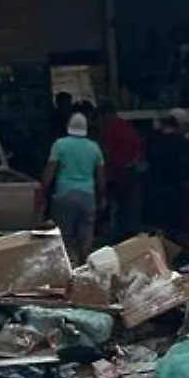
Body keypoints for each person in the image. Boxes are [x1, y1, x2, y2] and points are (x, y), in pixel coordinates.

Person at [42, 112, 105, 261]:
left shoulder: (60, 145)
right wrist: (102, 197)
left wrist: (44, 190)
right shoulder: (94, 147)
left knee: (64, 235)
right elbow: (101, 177)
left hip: (64, 194)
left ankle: (66, 267)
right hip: (87, 196)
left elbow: (50, 170)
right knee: (86, 233)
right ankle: (84, 265)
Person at [97, 103, 146, 240]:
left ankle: (113, 233)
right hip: (130, 171)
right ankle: (127, 233)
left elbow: (105, 151)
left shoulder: (109, 128)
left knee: (113, 204)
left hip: (115, 172)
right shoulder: (128, 127)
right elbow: (138, 151)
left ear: (105, 115)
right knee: (128, 206)